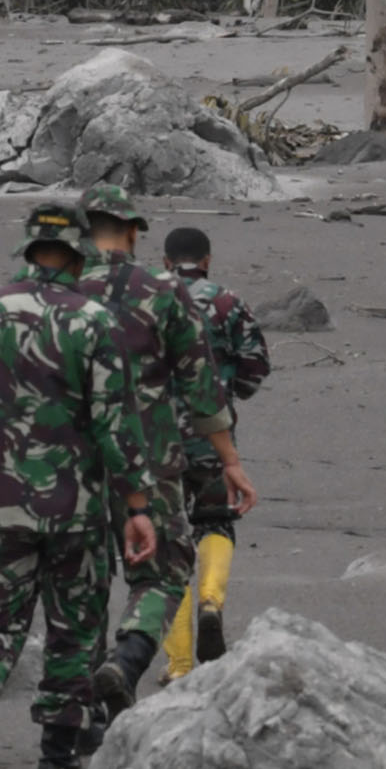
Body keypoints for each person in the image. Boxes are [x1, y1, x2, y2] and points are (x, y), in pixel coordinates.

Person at [0, 204, 160, 769]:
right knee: (73, 630)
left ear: (28, 250)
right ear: (78, 253)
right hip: (75, 505)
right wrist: (137, 507)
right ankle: (57, 755)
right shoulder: (94, 321)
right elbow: (117, 423)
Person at [79, 183, 253, 714]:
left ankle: (153, 676)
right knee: (176, 554)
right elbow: (226, 376)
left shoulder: (65, 292)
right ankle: (190, 616)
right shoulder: (192, 296)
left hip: (82, 457)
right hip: (167, 448)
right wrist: (229, 451)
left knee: (86, 577)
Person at [158, 222, 272, 673]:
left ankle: (181, 663)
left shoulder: (143, 301)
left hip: (153, 441)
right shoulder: (227, 302)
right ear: (206, 260)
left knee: (166, 550)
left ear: (166, 262)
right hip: (213, 436)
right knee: (215, 525)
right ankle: (211, 600)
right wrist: (230, 393)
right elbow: (255, 366)